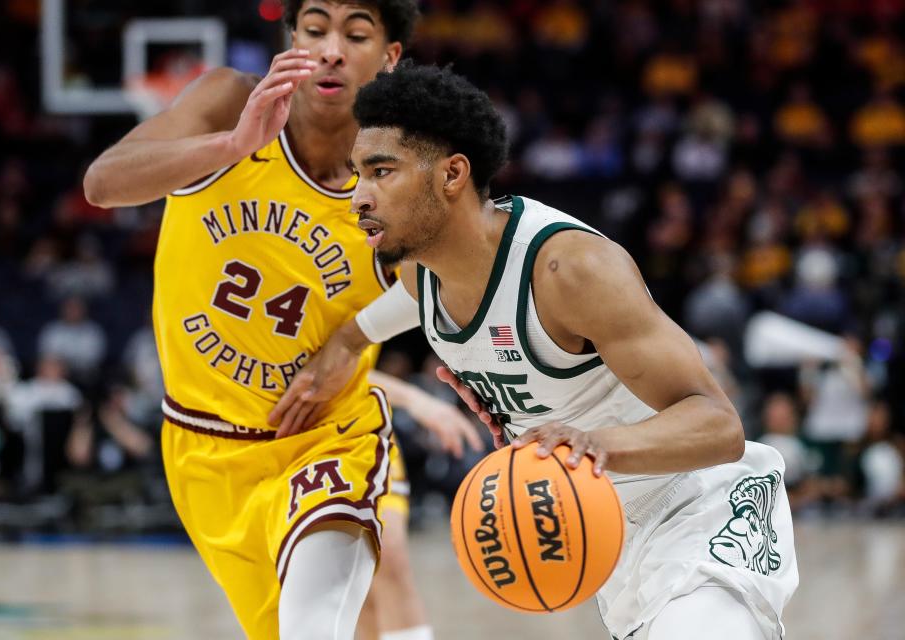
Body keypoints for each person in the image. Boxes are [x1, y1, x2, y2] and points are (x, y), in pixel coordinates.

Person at [272, 63, 798, 640]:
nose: (358, 197)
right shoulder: (421, 279)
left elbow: (719, 427)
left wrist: (592, 443)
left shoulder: (565, 268)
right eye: (356, 173)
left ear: (451, 174)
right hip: (608, 538)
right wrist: (342, 347)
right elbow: (371, 322)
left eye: (381, 172)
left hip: (703, 511)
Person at [82, 3, 466, 639]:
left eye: (356, 34)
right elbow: (103, 183)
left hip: (327, 439)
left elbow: (448, 274)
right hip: (203, 445)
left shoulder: (402, 175)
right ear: (293, 40)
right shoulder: (229, 100)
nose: (331, 50)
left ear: (390, 57)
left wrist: (351, 339)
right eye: (315, 30)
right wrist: (230, 146)